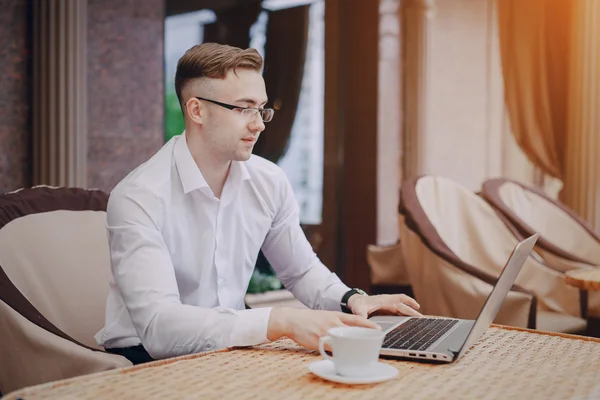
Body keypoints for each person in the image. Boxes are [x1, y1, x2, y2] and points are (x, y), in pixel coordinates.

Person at [95, 42, 422, 364]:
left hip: (229, 351)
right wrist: (281, 321)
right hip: (143, 359)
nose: (259, 123)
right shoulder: (139, 197)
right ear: (197, 111)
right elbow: (159, 329)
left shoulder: (269, 181)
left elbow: (301, 270)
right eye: (243, 108)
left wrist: (352, 300)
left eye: (261, 108)